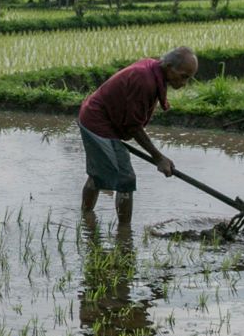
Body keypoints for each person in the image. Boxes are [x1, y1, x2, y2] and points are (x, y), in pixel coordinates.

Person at [78, 46, 198, 225]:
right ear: (169, 66)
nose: (184, 82)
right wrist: (159, 158)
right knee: (113, 177)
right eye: (183, 76)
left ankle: (101, 223)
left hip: (107, 120)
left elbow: (132, 121)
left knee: (112, 177)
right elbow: (133, 127)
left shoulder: (154, 70)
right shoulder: (145, 80)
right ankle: (111, 229)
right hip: (97, 122)